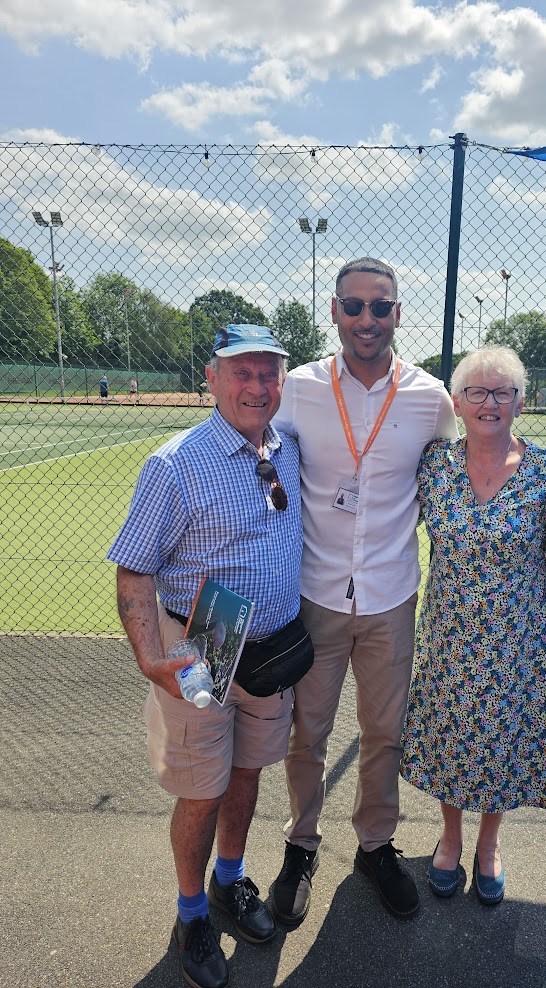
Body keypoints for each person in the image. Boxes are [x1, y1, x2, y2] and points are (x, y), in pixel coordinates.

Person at [107, 325, 302, 988]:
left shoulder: (286, 447)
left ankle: (229, 881)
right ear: (212, 379)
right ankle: (191, 914)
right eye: (241, 372)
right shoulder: (175, 464)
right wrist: (149, 659)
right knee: (201, 788)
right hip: (207, 641)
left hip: (272, 642)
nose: (257, 386)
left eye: (269, 373)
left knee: (246, 771)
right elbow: (133, 569)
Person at [270, 257, 459, 922]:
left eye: (380, 307)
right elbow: (253, 457)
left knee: (384, 733)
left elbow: (467, 473)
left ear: (398, 313)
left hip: (390, 596)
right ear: (334, 312)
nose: (366, 320)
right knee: (307, 733)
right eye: (353, 306)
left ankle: (374, 844)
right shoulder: (297, 389)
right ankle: (300, 843)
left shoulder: (431, 398)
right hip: (315, 593)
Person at [399, 345, 546, 906]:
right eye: (477, 392)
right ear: (457, 403)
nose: (490, 402)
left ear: (520, 403)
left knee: (501, 742)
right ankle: (450, 837)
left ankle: (489, 843)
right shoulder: (433, 466)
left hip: (514, 643)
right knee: (451, 736)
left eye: (503, 392)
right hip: (448, 637)